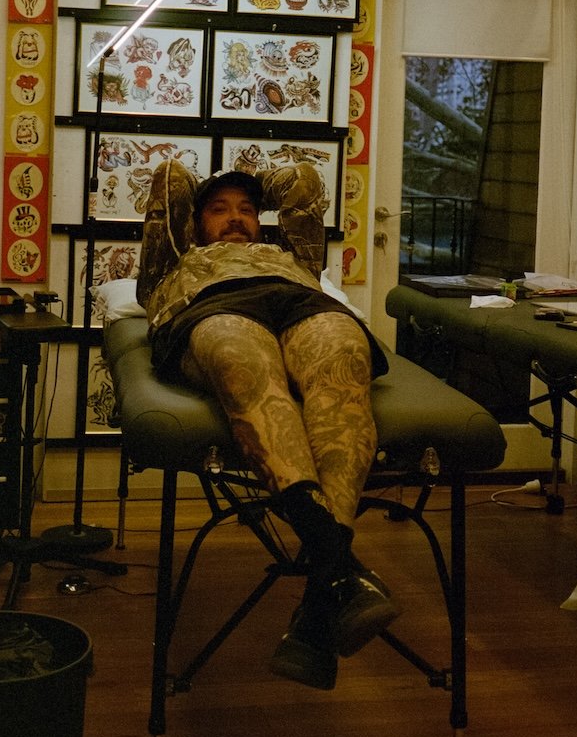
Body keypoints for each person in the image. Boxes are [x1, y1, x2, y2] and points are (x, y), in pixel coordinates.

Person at [136, 158, 399, 690]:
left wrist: (256, 183)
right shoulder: (175, 262)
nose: (236, 218)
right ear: (194, 223)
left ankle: (325, 592)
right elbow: (170, 180)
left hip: (302, 303)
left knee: (346, 356)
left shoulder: (293, 259)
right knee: (241, 362)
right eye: (219, 210)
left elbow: (303, 180)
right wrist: (198, 198)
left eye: (247, 209)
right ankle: (338, 572)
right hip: (215, 306)